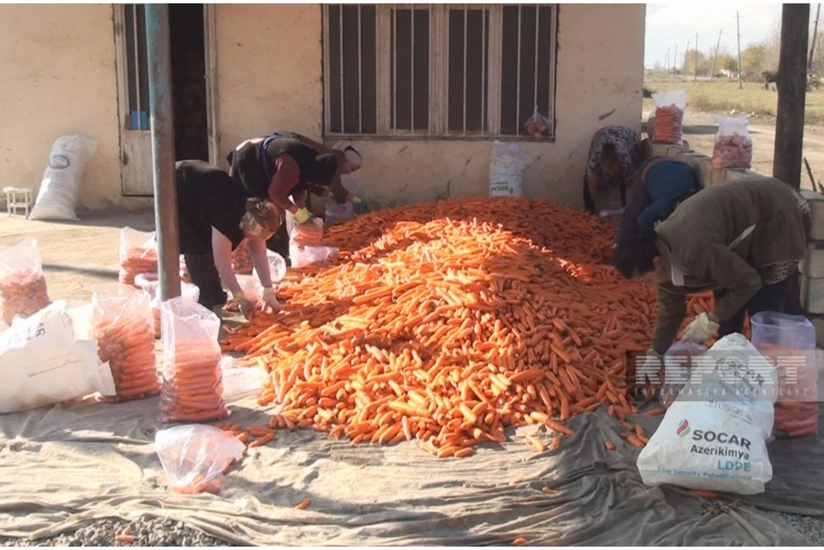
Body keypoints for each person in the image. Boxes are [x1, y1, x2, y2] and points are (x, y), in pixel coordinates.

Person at [614, 177, 810, 360]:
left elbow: (749, 282)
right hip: (737, 234)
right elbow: (671, 310)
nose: (649, 285)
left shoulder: (694, 248)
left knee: (761, 309)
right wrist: (654, 353)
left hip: (775, 213)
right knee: (728, 310)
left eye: (646, 280)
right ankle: (729, 365)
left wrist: (712, 317)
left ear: (657, 262)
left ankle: (775, 372)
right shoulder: (662, 256)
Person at [175, 159, 281, 318]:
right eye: (257, 236)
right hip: (182, 185)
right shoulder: (227, 219)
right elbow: (222, 263)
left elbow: (259, 253)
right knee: (197, 246)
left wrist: (268, 291)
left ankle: (217, 293)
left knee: (209, 246)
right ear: (248, 225)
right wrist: (240, 297)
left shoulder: (255, 217)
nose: (257, 240)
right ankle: (203, 307)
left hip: (209, 187)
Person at [227, 135, 341, 262]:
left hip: (258, 160)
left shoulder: (309, 161)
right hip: (248, 163)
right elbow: (275, 193)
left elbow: (300, 186)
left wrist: (303, 210)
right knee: (259, 213)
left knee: (275, 213)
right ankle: (247, 255)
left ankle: (276, 252)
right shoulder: (291, 166)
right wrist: (298, 213)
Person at [614, 156, 700, 248]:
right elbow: (642, 221)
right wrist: (651, 246)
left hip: (679, 165)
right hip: (651, 167)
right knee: (634, 212)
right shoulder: (664, 205)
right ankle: (618, 245)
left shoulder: (695, 206)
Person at [583, 125, 642, 216]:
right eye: (607, 171)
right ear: (601, 165)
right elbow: (593, 189)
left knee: (628, 180)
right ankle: (589, 216)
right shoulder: (594, 163)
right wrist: (602, 209)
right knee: (587, 183)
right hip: (602, 135)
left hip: (627, 137)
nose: (610, 174)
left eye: (613, 171)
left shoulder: (625, 162)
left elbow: (629, 186)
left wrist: (628, 211)